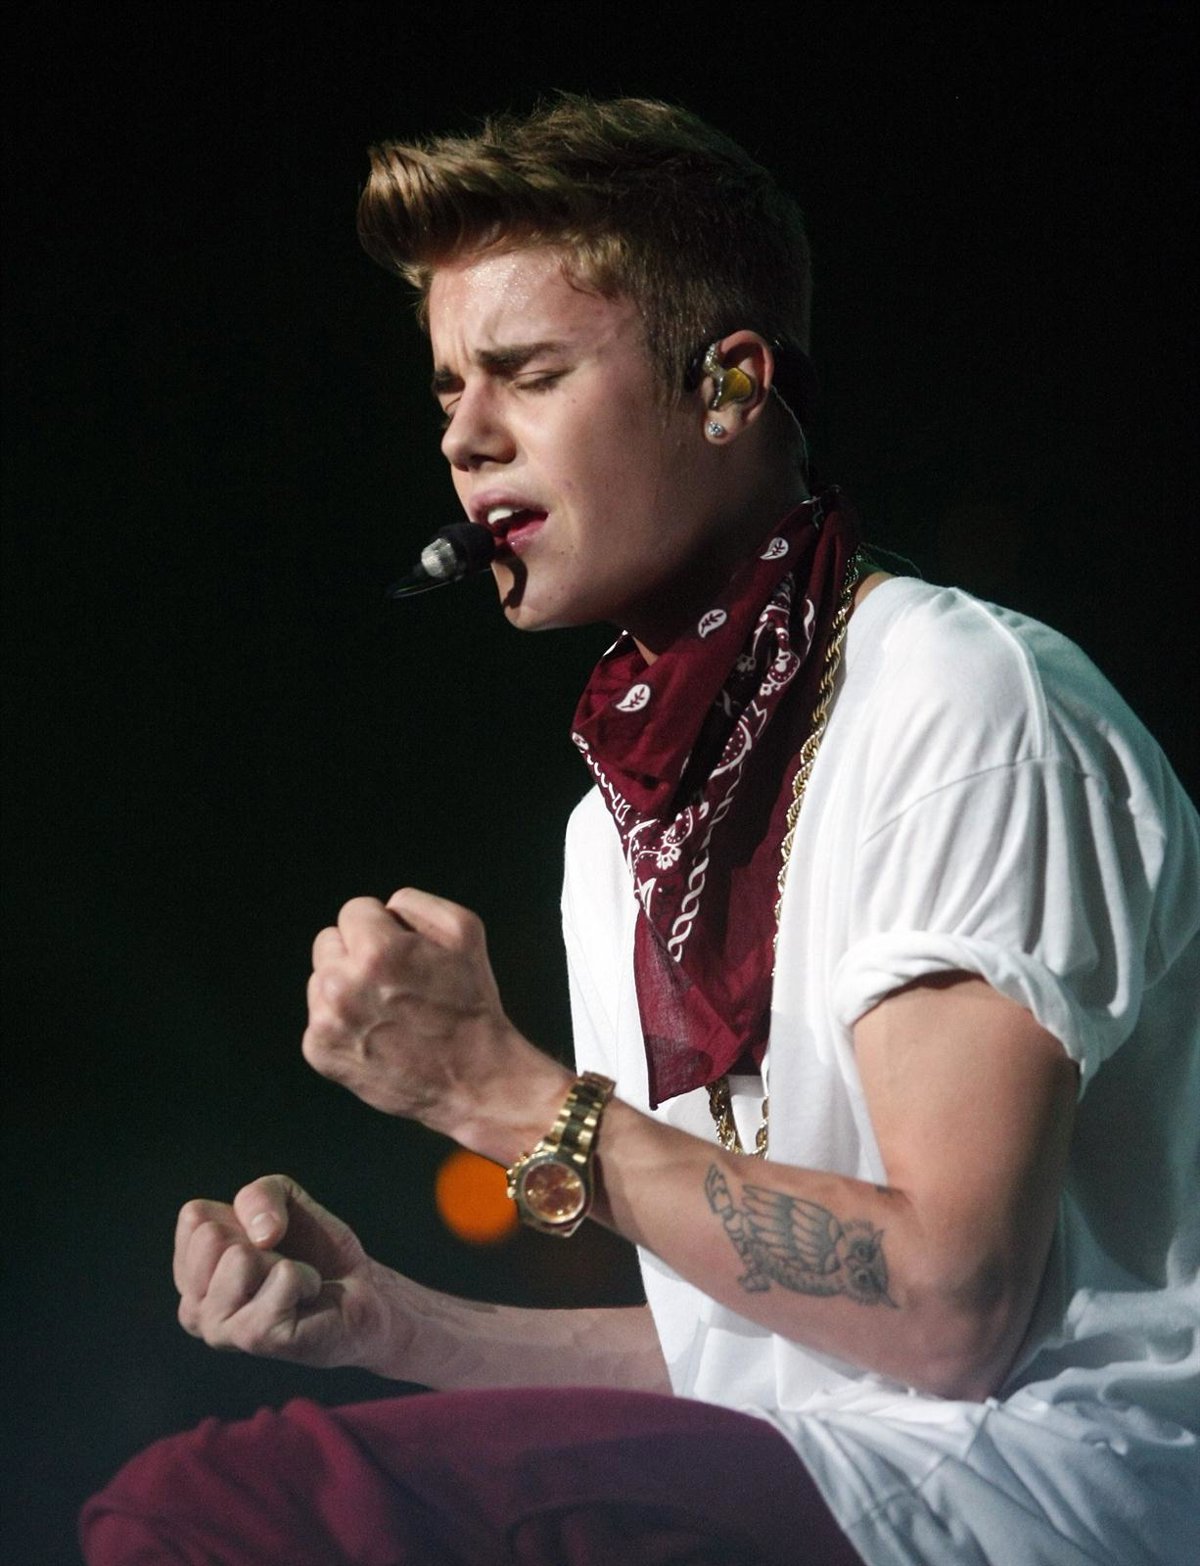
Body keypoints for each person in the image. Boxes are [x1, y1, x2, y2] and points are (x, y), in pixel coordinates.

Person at [82, 96, 1198, 1565]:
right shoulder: (616, 828)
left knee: (217, 1506)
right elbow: (761, 1362)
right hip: (849, 1478)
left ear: (729, 382)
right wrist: (397, 1324)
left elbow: (945, 1311)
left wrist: (501, 1094)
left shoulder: (955, 700)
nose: (465, 437)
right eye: (446, 390)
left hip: (1047, 1497)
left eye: (529, 374)